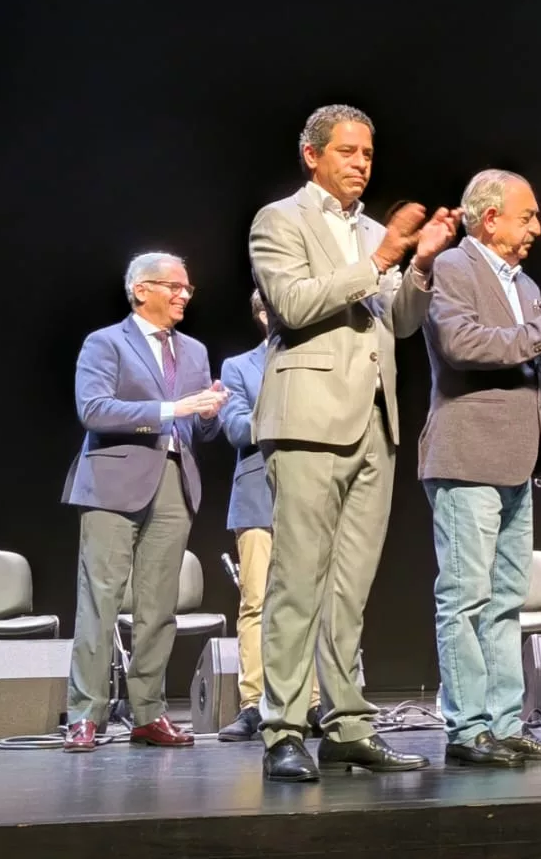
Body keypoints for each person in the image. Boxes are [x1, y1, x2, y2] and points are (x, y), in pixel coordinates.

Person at [248, 104, 460, 782]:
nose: (361, 163)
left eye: (368, 152)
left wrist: (421, 264)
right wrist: (382, 258)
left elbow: (401, 321)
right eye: (347, 151)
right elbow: (292, 304)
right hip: (308, 418)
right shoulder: (279, 220)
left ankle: (346, 725)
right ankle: (284, 728)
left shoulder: (374, 232)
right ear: (312, 155)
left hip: (375, 421)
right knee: (297, 580)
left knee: (350, 588)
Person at [420, 170, 541, 767]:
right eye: (527, 216)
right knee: (466, 598)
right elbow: (464, 346)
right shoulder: (454, 267)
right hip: (467, 454)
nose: (538, 227)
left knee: (508, 599)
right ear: (489, 219)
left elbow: (533, 360)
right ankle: (466, 728)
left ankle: (504, 723)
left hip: (518, 460)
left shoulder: (524, 283)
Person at [61, 252, 226, 751]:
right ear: (141, 290)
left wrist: (209, 414)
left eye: (188, 288)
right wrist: (171, 408)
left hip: (174, 481)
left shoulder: (194, 351)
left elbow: (200, 428)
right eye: (174, 286)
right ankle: (85, 714)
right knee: (101, 599)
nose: (183, 295)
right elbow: (93, 410)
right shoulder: (106, 342)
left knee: (159, 606)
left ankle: (148, 713)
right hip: (113, 481)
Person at [216, 290, 320, 742]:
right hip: (258, 493)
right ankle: (253, 703)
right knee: (257, 601)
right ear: (263, 316)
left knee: (307, 600)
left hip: (310, 492)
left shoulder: (315, 360)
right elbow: (237, 428)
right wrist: (283, 406)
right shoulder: (238, 367)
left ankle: (310, 701)